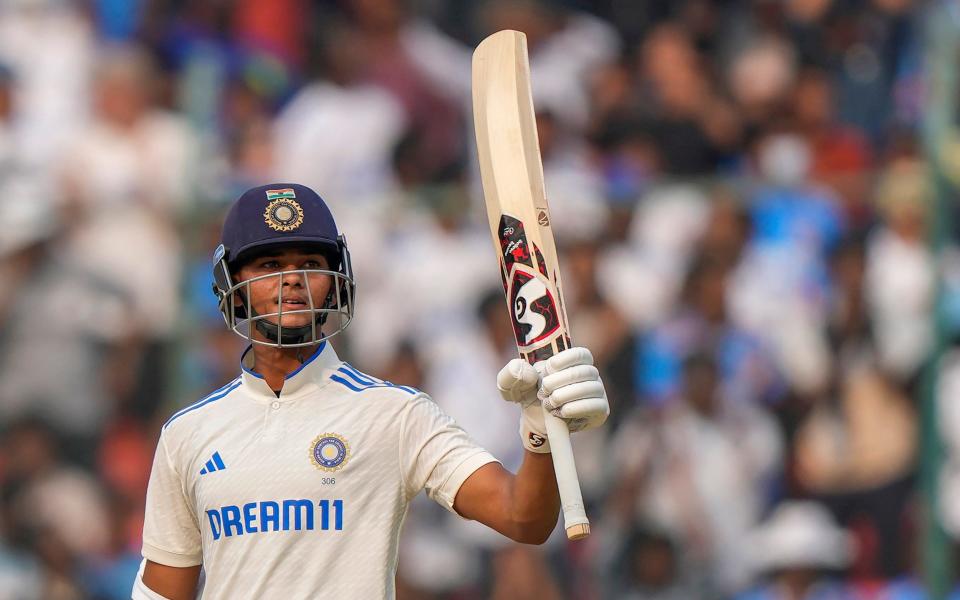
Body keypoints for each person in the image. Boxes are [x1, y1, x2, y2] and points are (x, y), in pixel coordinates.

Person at [132, 183, 609, 599]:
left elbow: (522, 519)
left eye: (311, 263)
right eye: (270, 263)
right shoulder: (188, 433)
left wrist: (540, 435)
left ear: (334, 281)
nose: (292, 278)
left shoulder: (395, 414)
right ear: (231, 282)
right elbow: (162, 590)